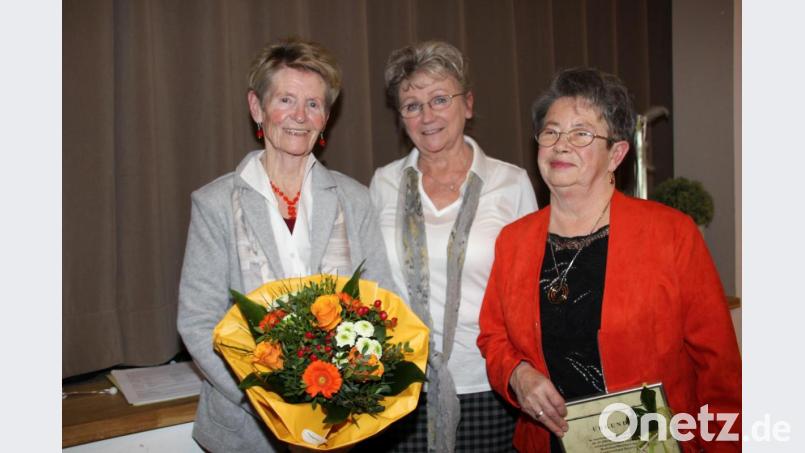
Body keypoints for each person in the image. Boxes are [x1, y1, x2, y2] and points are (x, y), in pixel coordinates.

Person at [477, 67, 741, 452]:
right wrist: (518, 374)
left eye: (581, 133)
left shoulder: (671, 235)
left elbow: (719, 370)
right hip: (545, 443)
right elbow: (493, 337)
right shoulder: (514, 241)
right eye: (550, 132)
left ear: (616, 153)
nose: (560, 145)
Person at [177, 38, 395, 452]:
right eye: (286, 100)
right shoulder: (215, 203)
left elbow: (383, 304)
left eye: (314, 104)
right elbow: (198, 321)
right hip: (246, 431)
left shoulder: (355, 199)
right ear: (258, 108)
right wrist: (269, 404)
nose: (299, 116)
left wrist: (348, 397)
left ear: (326, 117)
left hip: (341, 427)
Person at [364, 41, 538, 452]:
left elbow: (528, 292)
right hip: (399, 389)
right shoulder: (382, 184)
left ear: (469, 104)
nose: (427, 116)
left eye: (440, 99)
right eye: (412, 105)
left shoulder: (510, 184)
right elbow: (369, 288)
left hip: (488, 386)